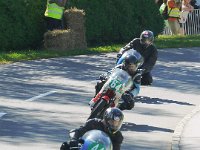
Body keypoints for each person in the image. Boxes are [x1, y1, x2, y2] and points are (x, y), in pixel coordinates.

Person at [60, 107, 124, 150]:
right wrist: (73, 139)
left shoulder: (118, 136)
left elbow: (116, 148)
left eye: (116, 123)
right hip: (86, 147)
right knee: (65, 145)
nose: (114, 125)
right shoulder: (93, 123)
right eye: (112, 121)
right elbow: (78, 131)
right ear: (106, 118)